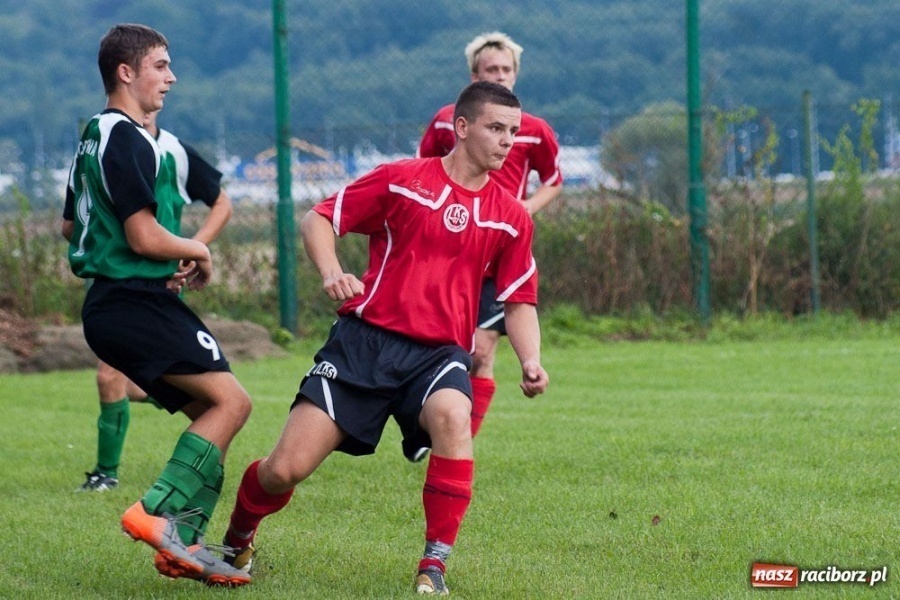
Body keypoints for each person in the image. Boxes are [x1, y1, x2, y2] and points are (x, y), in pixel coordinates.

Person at [220, 81, 549, 595]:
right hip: (363, 345)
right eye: (496, 128)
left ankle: (433, 565)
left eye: (513, 131)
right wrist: (332, 272)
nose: (508, 141)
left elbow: (519, 298)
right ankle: (237, 539)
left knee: (453, 416)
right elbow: (318, 218)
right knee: (284, 470)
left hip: (438, 355)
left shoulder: (510, 216)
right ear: (462, 128)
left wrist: (530, 359)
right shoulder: (402, 181)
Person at [63, 23, 251, 586]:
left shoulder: (94, 134)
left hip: (115, 301)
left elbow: (71, 224)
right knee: (233, 404)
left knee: (211, 415)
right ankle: (156, 512)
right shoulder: (125, 136)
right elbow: (144, 238)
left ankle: (185, 546)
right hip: (133, 300)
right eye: (161, 66)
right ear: (127, 72)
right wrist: (197, 249)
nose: (171, 78)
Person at [67, 108, 233, 494]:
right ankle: (117, 474)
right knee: (116, 378)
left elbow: (222, 203)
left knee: (120, 379)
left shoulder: (173, 150)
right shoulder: (109, 142)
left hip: (156, 288)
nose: (166, 84)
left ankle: (117, 477)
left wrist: (193, 248)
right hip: (125, 286)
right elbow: (74, 223)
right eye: (160, 76)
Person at [416, 32, 562, 454]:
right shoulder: (447, 121)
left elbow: (553, 181)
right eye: (491, 70)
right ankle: (431, 420)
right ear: (474, 77)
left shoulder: (534, 130)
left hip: (499, 253)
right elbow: (426, 169)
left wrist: (526, 208)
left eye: (506, 69)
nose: (500, 75)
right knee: (446, 344)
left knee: (481, 350)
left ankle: (453, 440)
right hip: (453, 250)